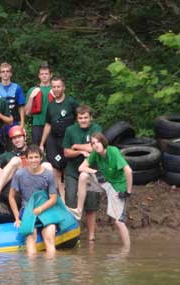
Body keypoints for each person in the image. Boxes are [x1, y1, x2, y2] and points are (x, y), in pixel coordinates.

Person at [79, 133, 132, 246]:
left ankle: (127, 250)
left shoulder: (113, 151)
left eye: (98, 142)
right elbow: (81, 167)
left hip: (118, 187)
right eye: (93, 143)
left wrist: (128, 191)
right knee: (83, 175)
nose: (96, 145)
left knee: (119, 222)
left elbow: (129, 171)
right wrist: (95, 172)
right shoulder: (95, 153)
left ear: (103, 142)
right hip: (105, 183)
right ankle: (79, 209)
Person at [62, 105, 103, 241]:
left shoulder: (96, 129)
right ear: (77, 119)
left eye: (86, 117)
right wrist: (80, 152)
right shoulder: (70, 130)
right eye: (80, 118)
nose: (83, 120)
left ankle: (91, 237)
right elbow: (66, 152)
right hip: (72, 171)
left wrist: (76, 146)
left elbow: (96, 147)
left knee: (91, 205)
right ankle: (74, 235)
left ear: (90, 118)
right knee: (72, 204)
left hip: (92, 171)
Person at [9, 145, 58, 255]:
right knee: (31, 239)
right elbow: (11, 196)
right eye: (30, 158)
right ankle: (31, 271)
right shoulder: (20, 174)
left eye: (36, 157)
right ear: (26, 159)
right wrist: (17, 217)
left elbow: (53, 199)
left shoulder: (48, 174)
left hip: (45, 210)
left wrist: (40, 209)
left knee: (50, 240)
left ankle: (51, 271)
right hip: (27, 210)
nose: (33, 160)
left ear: (41, 158)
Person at [39, 77, 78, 202]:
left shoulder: (71, 102)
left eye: (58, 86)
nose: (56, 89)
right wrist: (41, 143)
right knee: (55, 165)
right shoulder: (50, 106)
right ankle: (58, 195)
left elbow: (81, 119)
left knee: (67, 165)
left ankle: (70, 194)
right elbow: (48, 125)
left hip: (68, 141)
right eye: (54, 87)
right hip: (53, 140)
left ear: (63, 87)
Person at [0, 126, 52, 196]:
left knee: (47, 165)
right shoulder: (8, 154)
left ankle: (50, 194)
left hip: (36, 182)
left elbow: (47, 167)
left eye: (19, 137)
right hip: (18, 186)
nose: (17, 140)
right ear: (12, 141)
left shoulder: (34, 151)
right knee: (15, 160)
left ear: (24, 137)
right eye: (14, 138)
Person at [0, 62, 26, 144]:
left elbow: (21, 107)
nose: (5, 73)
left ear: (11, 74)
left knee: (14, 147)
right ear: (0, 74)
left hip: (14, 122)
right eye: (3, 71)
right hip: (0, 123)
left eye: (7, 71)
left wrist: (22, 124)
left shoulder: (17, 88)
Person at [24, 63, 53, 146]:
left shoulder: (55, 89)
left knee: (52, 152)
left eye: (46, 74)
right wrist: (31, 98)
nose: (44, 76)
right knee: (36, 152)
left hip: (52, 126)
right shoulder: (32, 90)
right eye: (42, 74)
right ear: (39, 76)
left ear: (50, 75)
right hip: (37, 125)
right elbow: (27, 113)